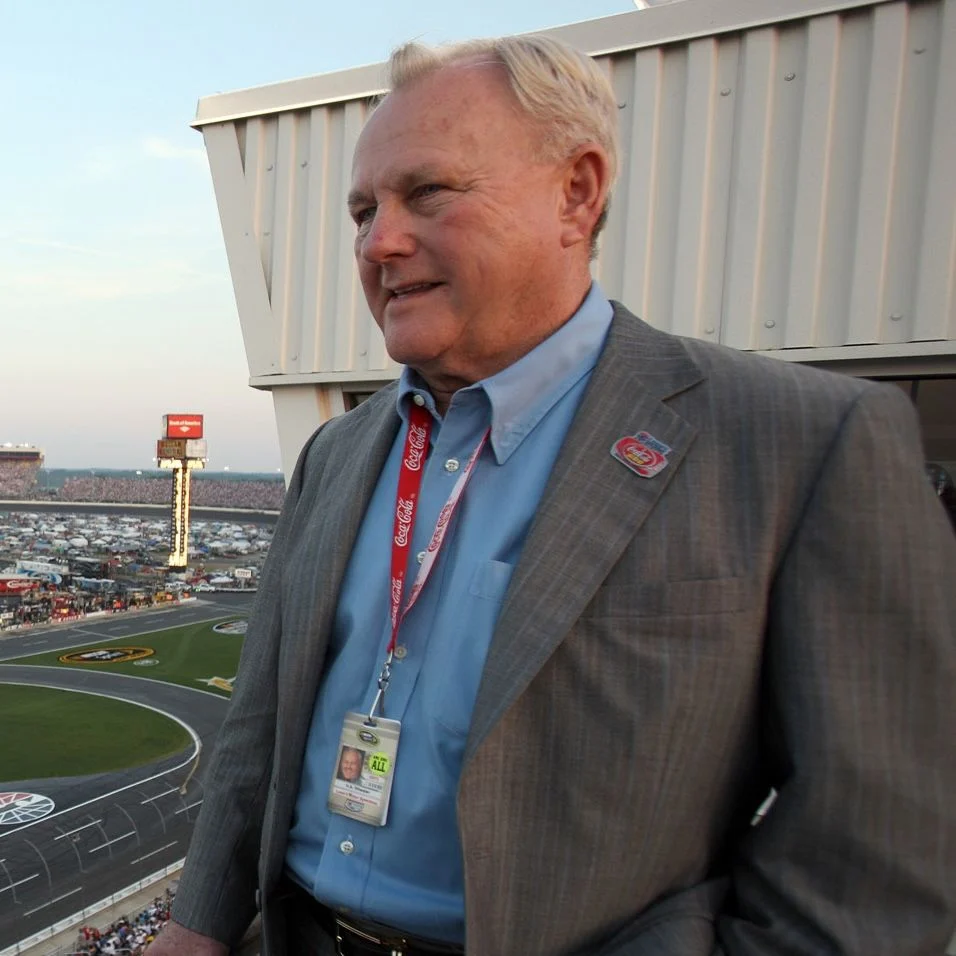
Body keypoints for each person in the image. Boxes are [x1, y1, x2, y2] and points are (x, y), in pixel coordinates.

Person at [149, 34, 956, 956]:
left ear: (577, 193)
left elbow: (875, 856)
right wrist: (197, 925)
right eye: (363, 211)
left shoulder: (798, 443)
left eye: (428, 192)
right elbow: (258, 722)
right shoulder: (337, 452)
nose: (380, 242)